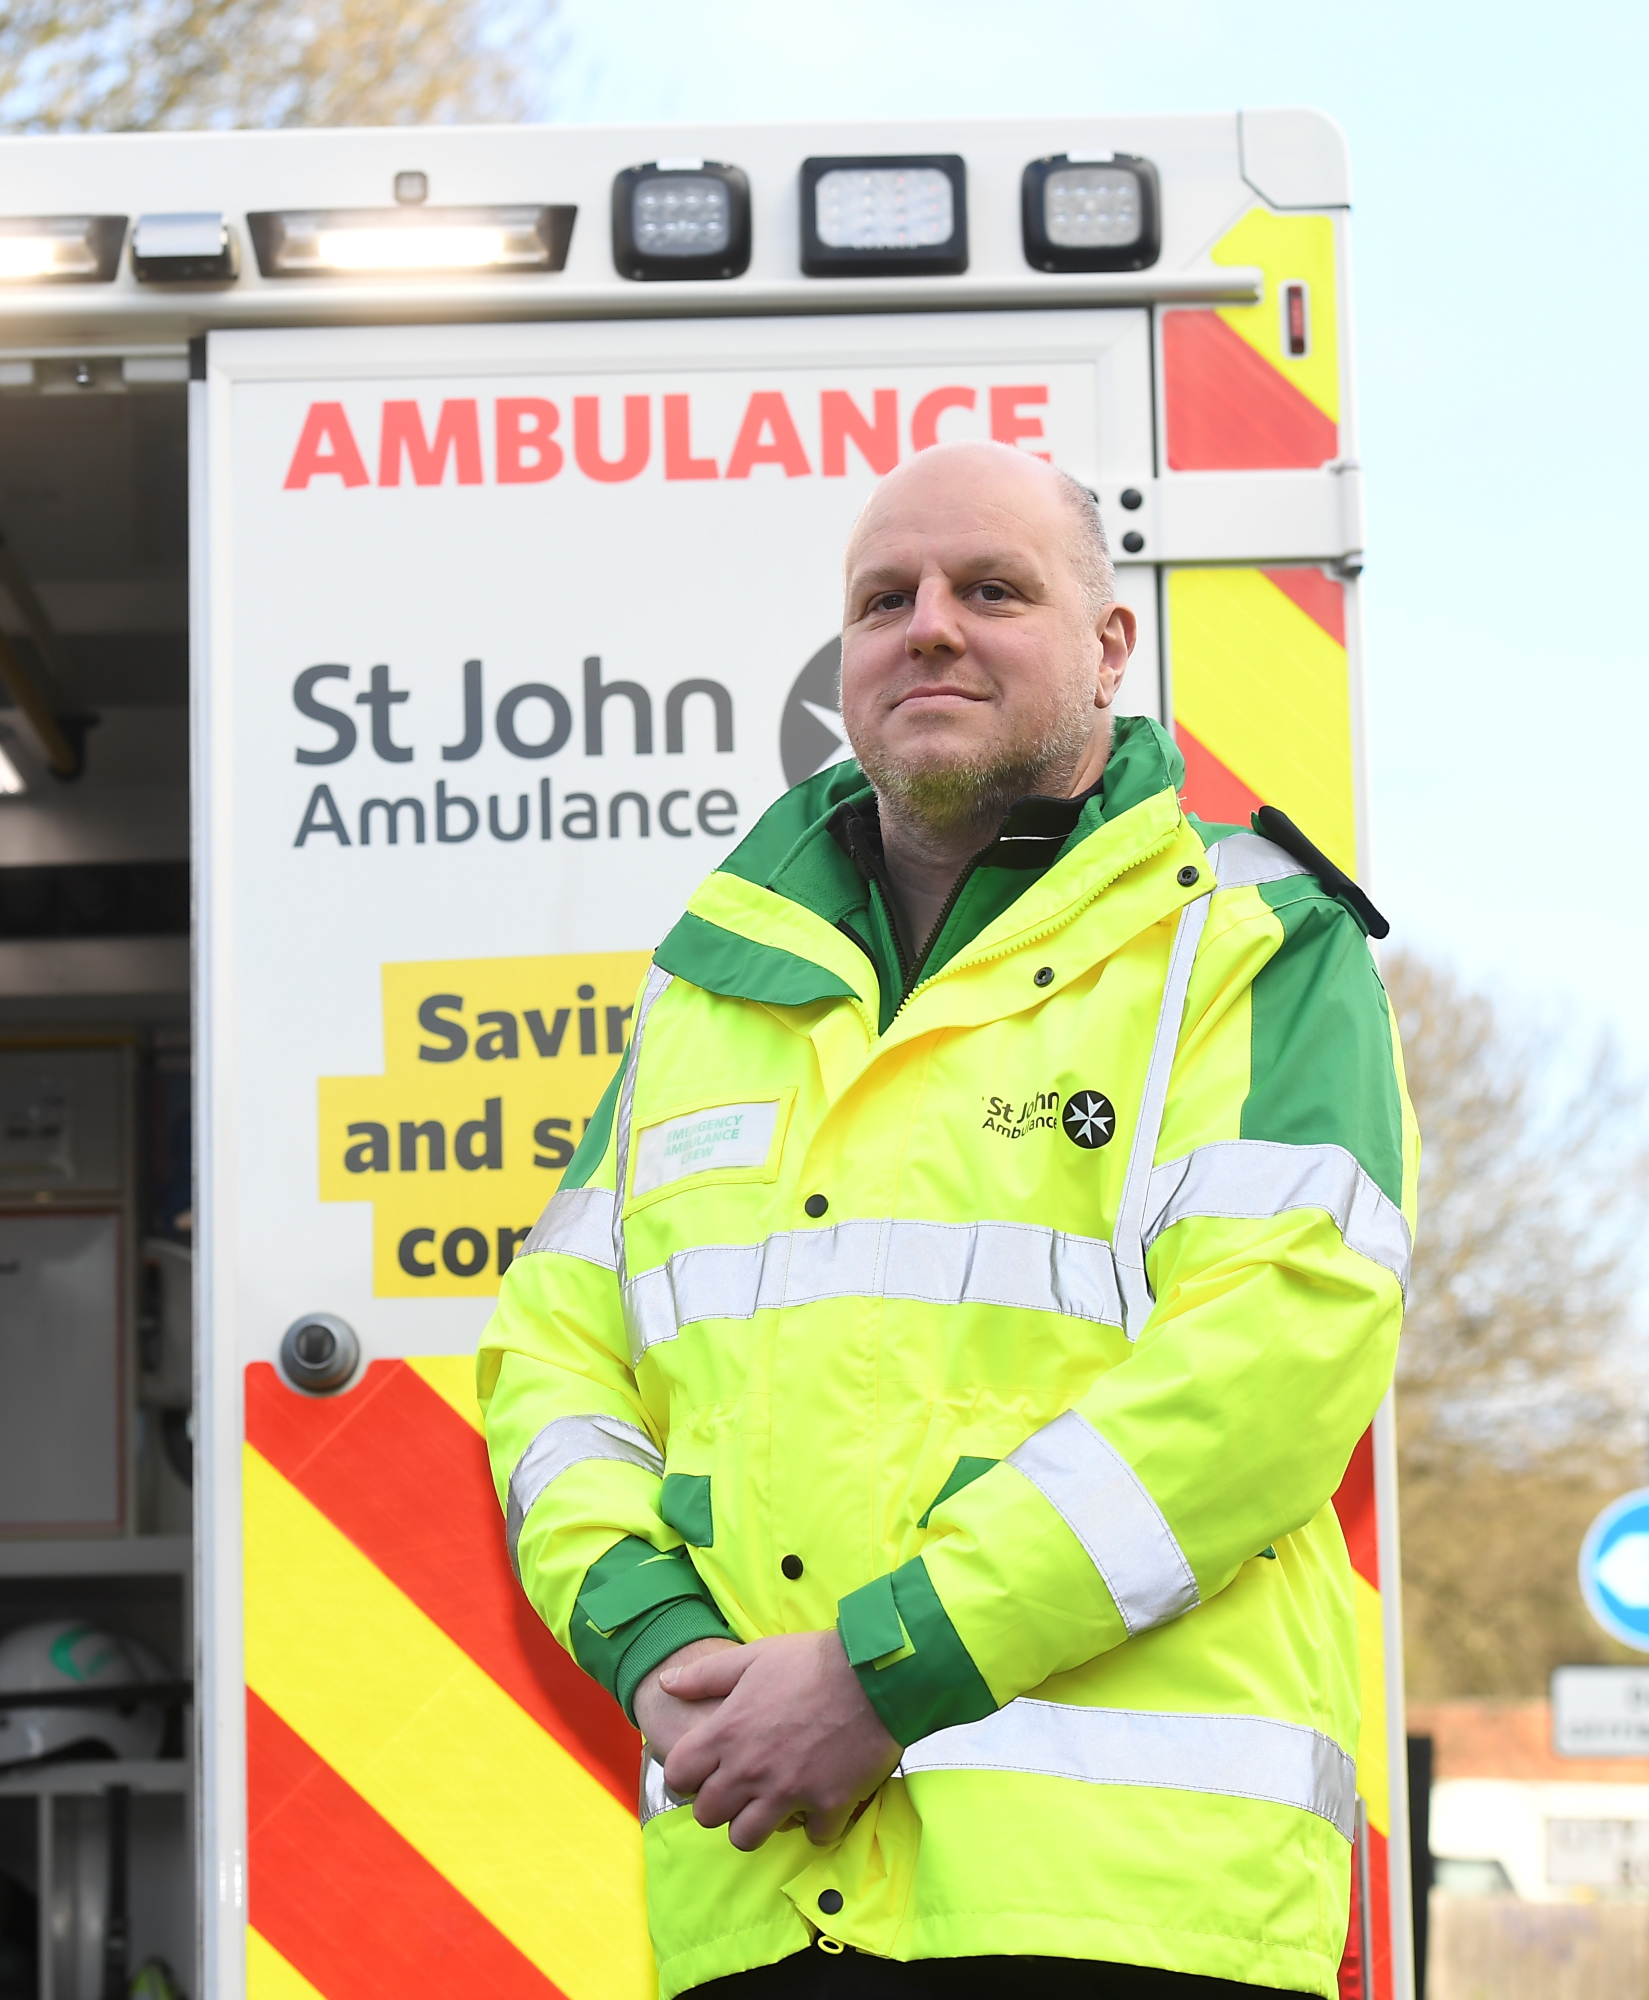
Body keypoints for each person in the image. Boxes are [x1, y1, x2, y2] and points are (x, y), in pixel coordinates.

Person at [479, 439, 1414, 1998]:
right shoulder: (713, 981)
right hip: (771, 1901)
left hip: (1125, 1916)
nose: (929, 626)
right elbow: (552, 1362)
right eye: (883, 598)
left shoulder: (1251, 942)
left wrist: (875, 1675)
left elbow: (1271, 1368)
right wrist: (649, 1642)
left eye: (993, 589)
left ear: (1109, 646)